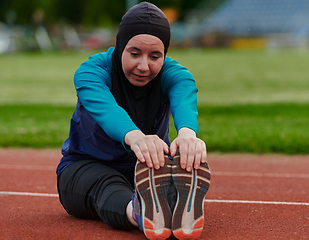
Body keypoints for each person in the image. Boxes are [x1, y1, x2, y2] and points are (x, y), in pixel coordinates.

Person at [56, 2, 211, 240]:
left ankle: (170, 202)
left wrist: (188, 136)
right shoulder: (92, 72)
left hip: (149, 168)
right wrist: (136, 137)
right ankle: (139, 211)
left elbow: (184, 97)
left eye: (155, 56)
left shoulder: (175, 75)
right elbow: (107, 111)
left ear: (165, 55)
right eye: (134, 53)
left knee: (159, 171)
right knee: (106, 186)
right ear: (120, 46)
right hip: (85, 166)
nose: (143, 66)